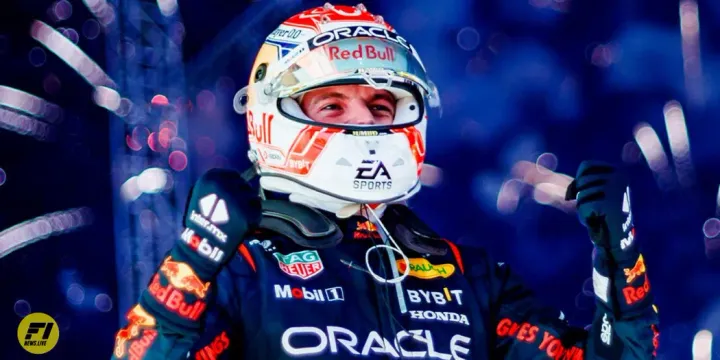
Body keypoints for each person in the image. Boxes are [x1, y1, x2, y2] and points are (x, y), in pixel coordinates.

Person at [111, 3, 659, 359]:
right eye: (332, 104)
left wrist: (619, 258)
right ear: (270, 117)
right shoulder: (239, 270)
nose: (365, 125)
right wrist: (196, 258)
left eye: (380, 105)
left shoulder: (469, 277)